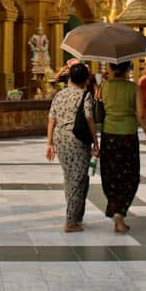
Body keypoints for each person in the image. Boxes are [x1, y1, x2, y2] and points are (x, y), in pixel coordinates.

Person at [46, 62, 98, 233]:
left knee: (71, 177)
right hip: (77, 140)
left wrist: (50, 142)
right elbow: (90, 118)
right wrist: (95, 141)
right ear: (85, 79)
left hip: (60, 139)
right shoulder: (85, 95)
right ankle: (70, 221)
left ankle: (76, 216)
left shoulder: (59, 95)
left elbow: (52, 118)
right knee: (77, 178)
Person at [99, 61, 144, 233]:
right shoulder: (134, 88)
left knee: (110, 173)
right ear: (128, 70)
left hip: (109, 135)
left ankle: (114, 205)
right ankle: (120, 211)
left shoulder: (104, 87)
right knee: (130, 175)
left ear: (110, 69)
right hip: (127, 135)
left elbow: (99, 111)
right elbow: (141, 114)